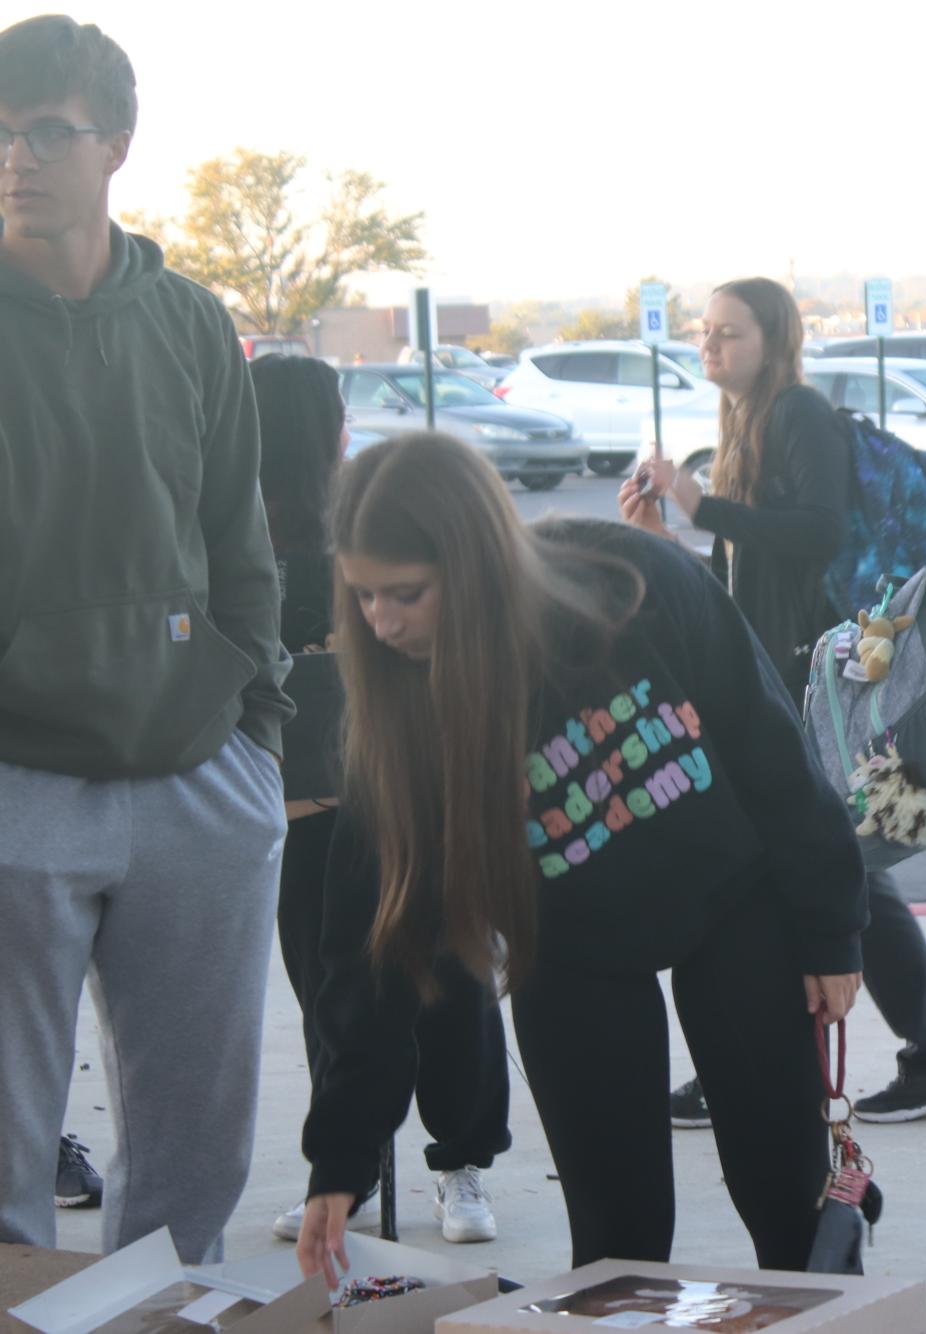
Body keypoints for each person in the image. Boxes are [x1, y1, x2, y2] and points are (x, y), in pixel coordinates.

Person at [292, 433, 867, 1282]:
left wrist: (829, 931)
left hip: (734, 903)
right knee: (615, 1237)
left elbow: (771, 747)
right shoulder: (400, 702)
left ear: (477, 562)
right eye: (363, 596)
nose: (381, 622)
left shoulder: (631, 582)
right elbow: (370, 950)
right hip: (565, 948)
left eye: (406, 594)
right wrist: (338, 1157)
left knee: (785, 1193)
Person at [0, 16, 290, 1264]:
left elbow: (242, 540)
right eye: (0, 132)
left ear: (116, 143)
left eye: (47, 131)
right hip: (17, 776)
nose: (17, 155)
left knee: (191, 1170)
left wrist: (259, 742)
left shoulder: (187, 321)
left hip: (195, 773)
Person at [620, 276, 926, 1126]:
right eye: (704, 333)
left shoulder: (795, 414)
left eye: (729, 334)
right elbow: (754, 561)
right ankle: (921, 1051)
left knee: (812, 861)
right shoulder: (746, 418)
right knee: (823, 860)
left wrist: (700, 501)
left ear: (774, 340)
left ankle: (904, 1052)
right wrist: (674, 538)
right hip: (772, 668)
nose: (710, 346)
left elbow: (815, 530)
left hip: (805, 673)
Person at [250, 355, 512, 1246]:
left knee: (416, 977)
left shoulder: (364, 525)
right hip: (308, 809)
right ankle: (372, 1168)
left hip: (397, 795)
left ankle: (449, 1165)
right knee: (351, 991)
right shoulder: (244, 538)